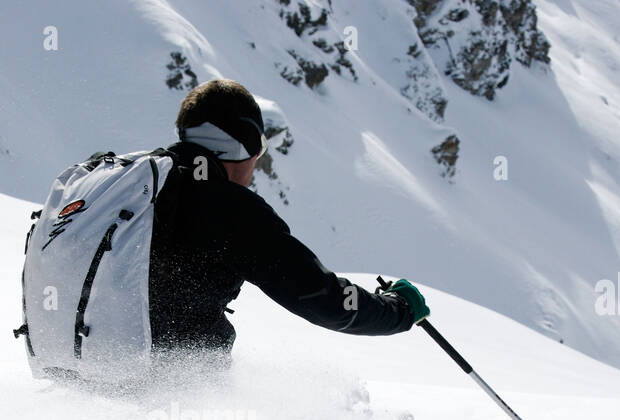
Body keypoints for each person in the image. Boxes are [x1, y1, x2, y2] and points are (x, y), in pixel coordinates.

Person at [148, 78, 429, 352]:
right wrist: (399, 309)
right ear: (244, 144)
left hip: (110, 372)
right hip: (175, 391)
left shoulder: (121, 177)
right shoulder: (230, 209)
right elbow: (324, 299)